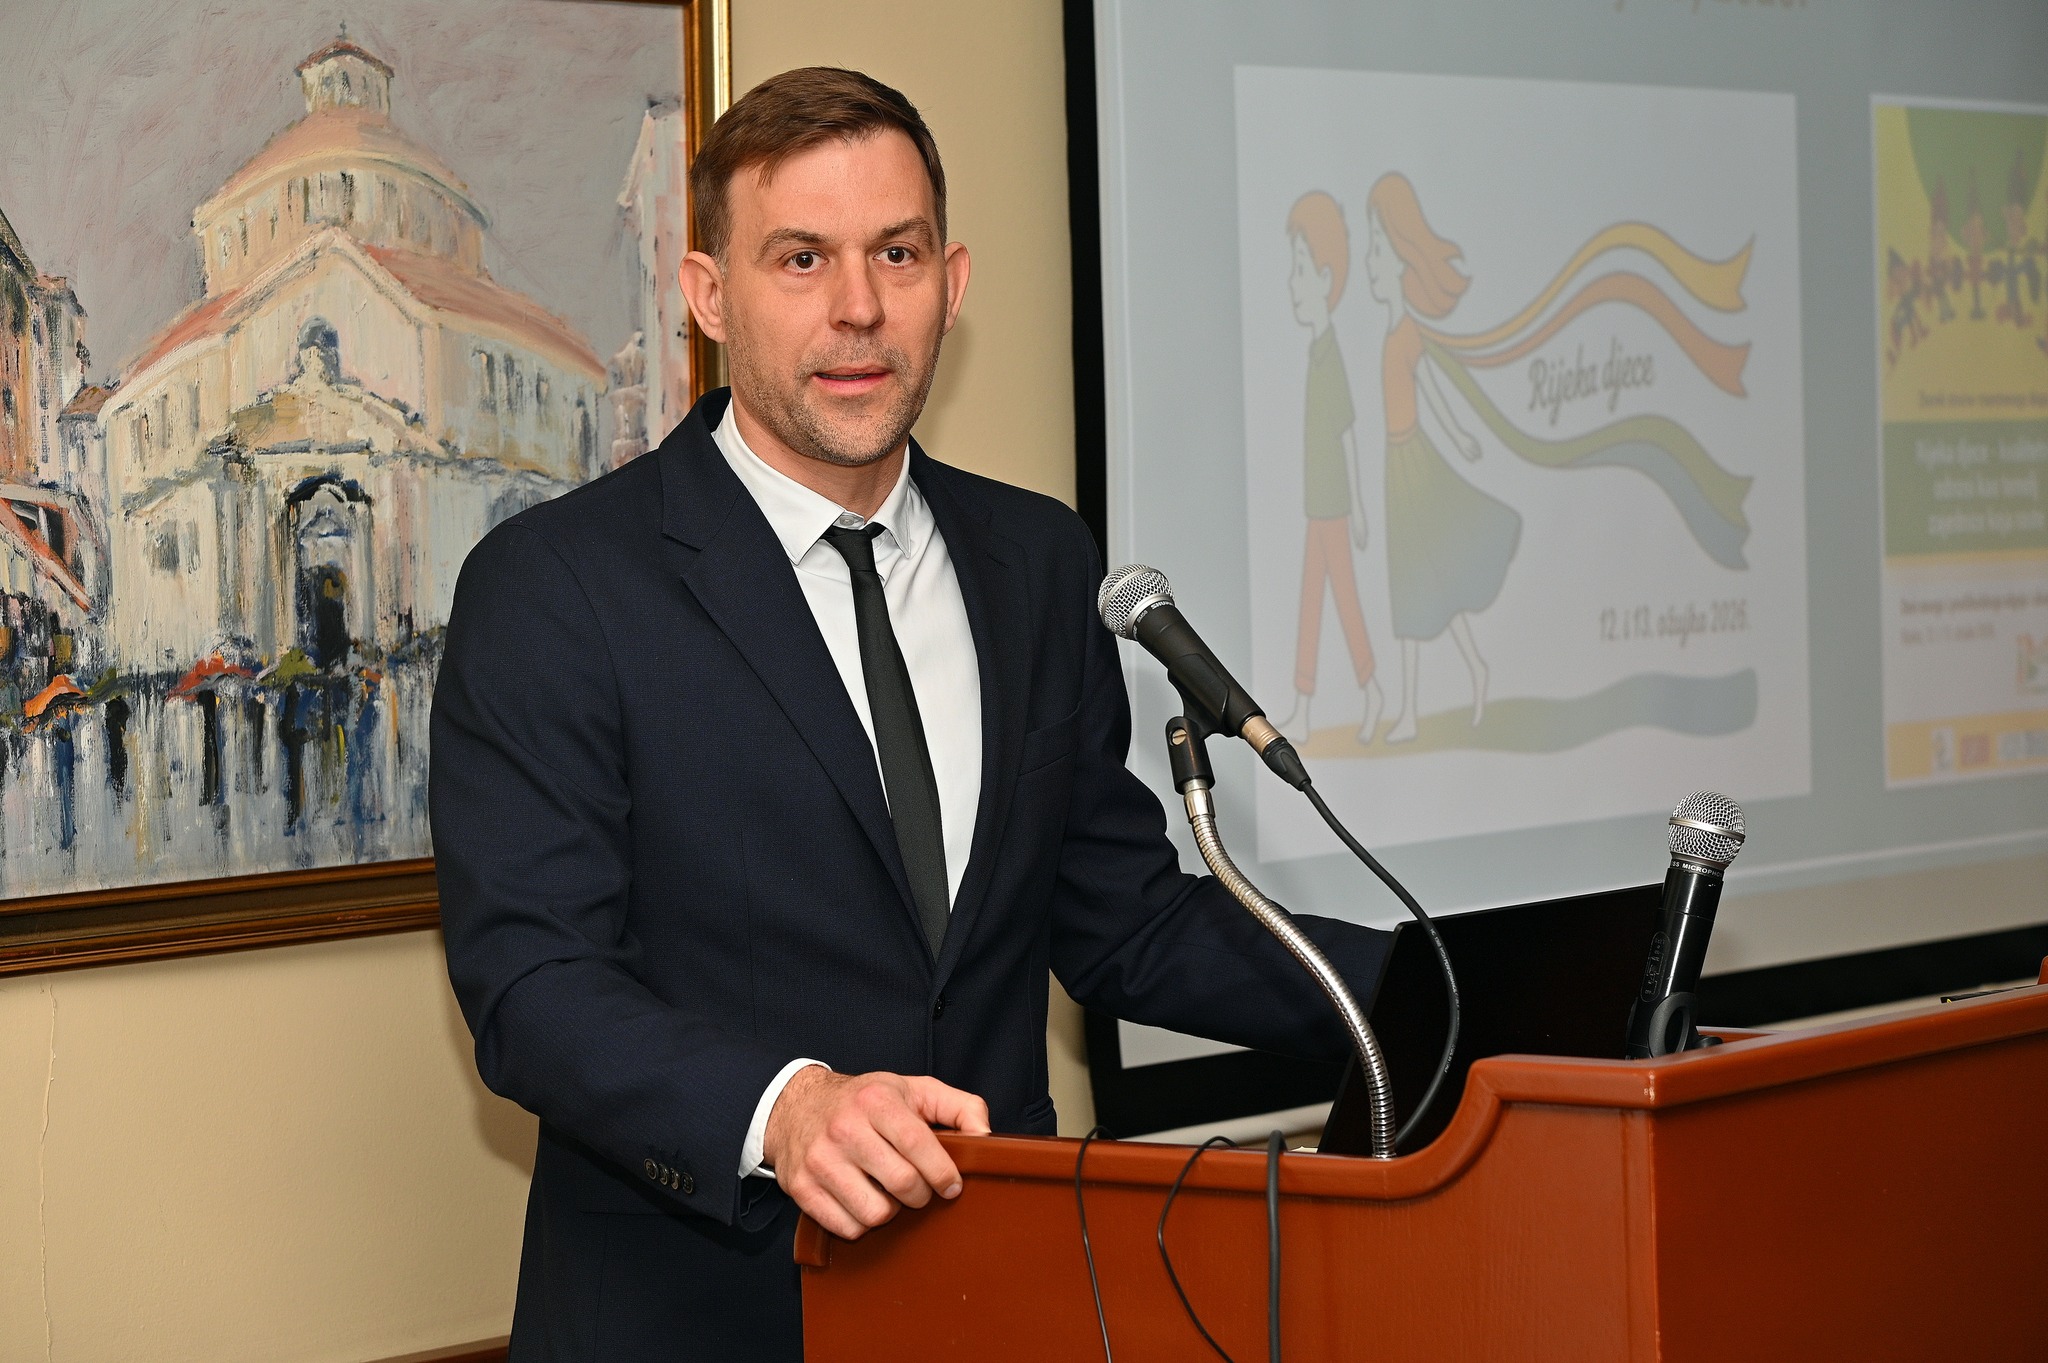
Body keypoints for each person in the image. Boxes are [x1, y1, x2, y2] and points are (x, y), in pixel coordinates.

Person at [431, 67, 1388, 1362]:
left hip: (1004, 1299)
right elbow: (532, 983)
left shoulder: (1037, 560)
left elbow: (1122, 922)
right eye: (801, 259)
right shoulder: (558, 585)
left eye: (897, 252)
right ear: (708, 295)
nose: (860, 307)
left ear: (953, 279)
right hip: (698, 1316)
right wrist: (784, 1107)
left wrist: (1435, 988)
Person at [1271, 190, 1385, 748]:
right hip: (1317, 506)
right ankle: (1305, 703)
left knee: (1343, 599)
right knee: (1312, 602)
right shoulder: (1315, 351)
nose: (1292, 284)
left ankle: (1370, 690)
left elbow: (1349, 435)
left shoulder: (1332, 353)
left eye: (1299, 270)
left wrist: (1358, 507)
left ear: (1324, 276)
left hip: (1334, 507)